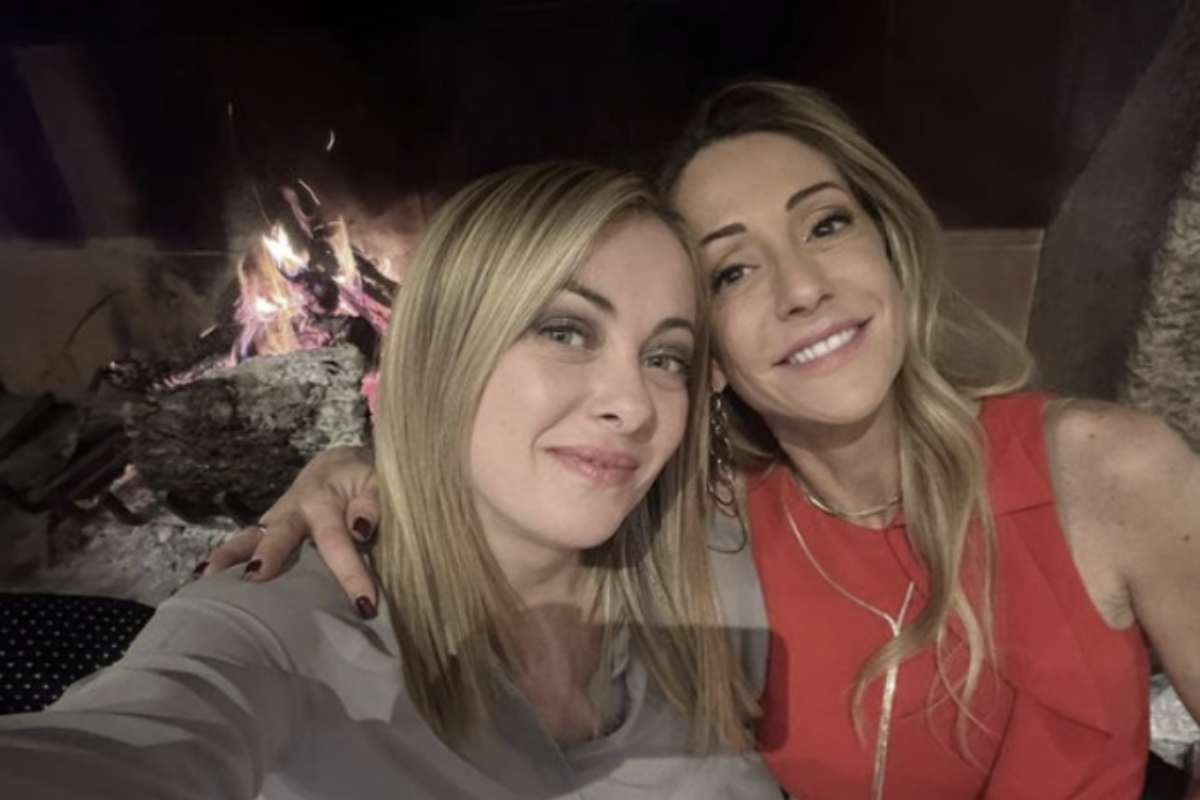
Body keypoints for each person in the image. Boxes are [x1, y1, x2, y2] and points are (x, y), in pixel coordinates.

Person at [211, 80, 1200, 800]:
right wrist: (360, 469)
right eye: (732, 272)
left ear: (891, 245)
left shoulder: (1108, 470)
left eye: (827, 225)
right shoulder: (703, 524)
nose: (802, 288)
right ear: (705, 355)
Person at [0, 162, 781, 800]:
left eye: (665, 357)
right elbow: (137, 736)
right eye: (566, 331)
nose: (633, 405)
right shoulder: (284, 623)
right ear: (442, 350)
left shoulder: (719, 565)